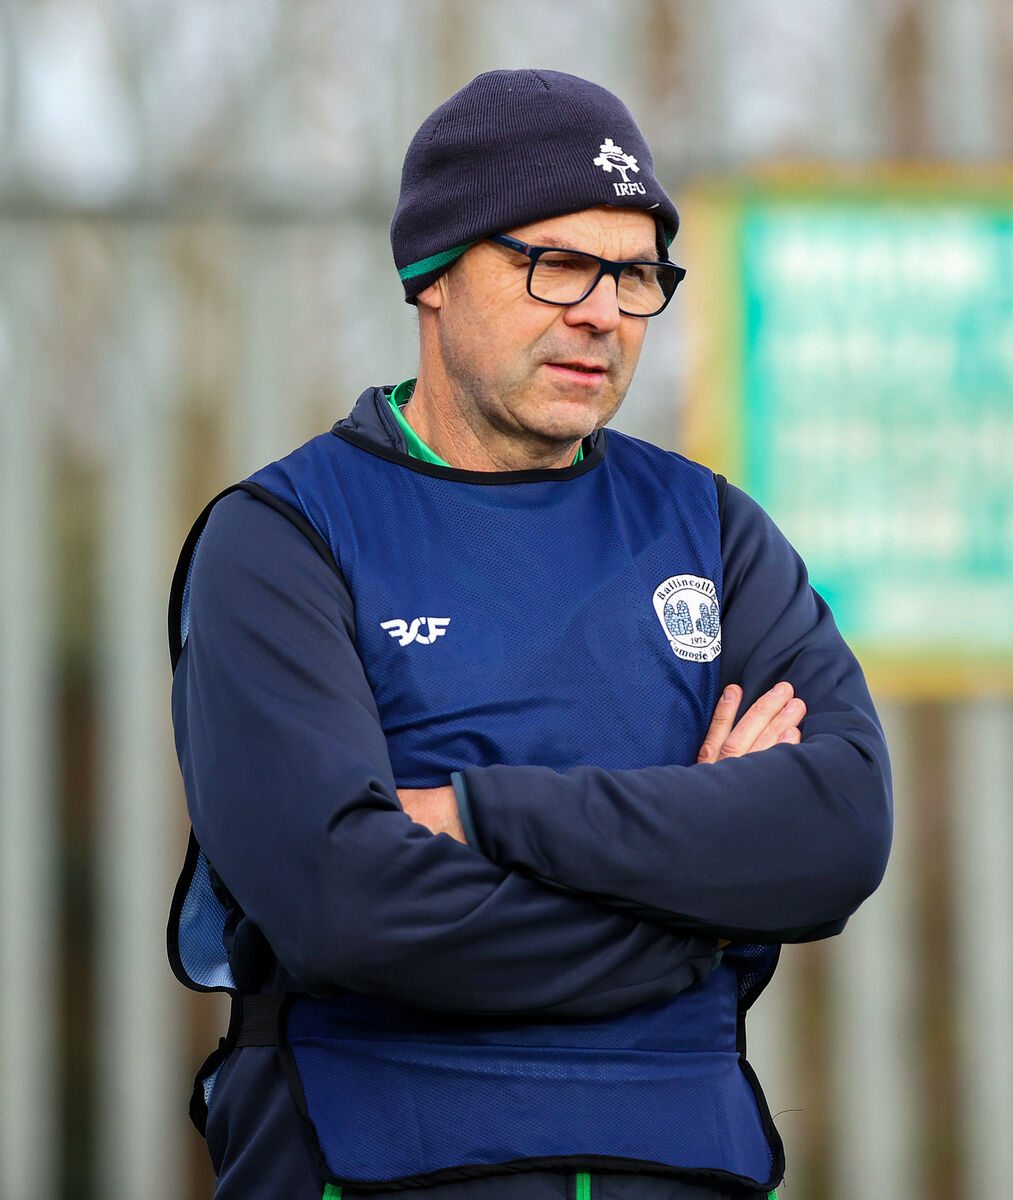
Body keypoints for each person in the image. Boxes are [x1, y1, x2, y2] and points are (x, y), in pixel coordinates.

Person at [167, 69, 892, 1200]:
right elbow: (343, 907)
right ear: (432, 277)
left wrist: (476, 813)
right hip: (376, 1163)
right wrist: (690, 919)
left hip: (682, 1160)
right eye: (555, 263)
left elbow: (837, 829)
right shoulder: (284, 539)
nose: (601, 310)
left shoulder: (707, 531)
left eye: (635, 272)